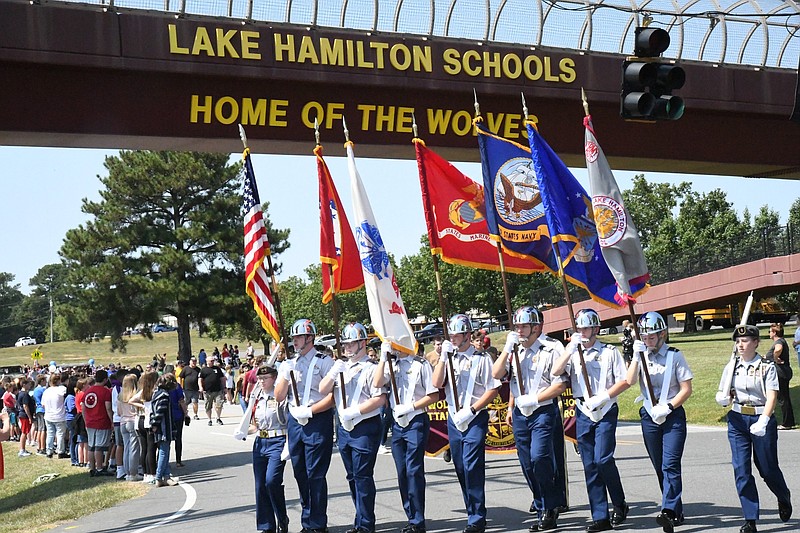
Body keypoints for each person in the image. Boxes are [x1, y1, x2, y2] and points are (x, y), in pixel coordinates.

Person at [552, 308, 631, 533]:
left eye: (586, 327)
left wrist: (604, 397)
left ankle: (618, 502)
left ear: (596, 329)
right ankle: (600, 516)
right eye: (579, 328)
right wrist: (569, 349)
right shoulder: (573, 352)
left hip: (605, 409)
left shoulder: (609, 351)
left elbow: (624, 380)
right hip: (583, 410)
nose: (583, 332)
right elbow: (556, 371)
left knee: (603, 459)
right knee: (589, 465)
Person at [492, 306, 567, 531]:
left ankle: (550, 507)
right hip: (520, 414)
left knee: (539, 458)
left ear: (537, 327)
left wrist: (534, 399)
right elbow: (497, 374)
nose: (520, 330)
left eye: (524, 326)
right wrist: (506, 349)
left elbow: (561, 384)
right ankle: (543, 503)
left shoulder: (552, 347)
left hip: (543, 410)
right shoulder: (515, 350)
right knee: (526, 463)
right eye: (517, 326)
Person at [715, 324, 792, 533]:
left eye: (746, 341)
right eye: (738, 341)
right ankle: (750, 518)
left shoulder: (767, 367)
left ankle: (783, 495)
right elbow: (725, 393)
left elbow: (772, 396)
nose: (741, 345)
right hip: (738, 419)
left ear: (756, 342)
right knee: (741, 469)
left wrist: (765, 420)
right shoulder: (732, 366)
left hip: (760, 418)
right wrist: (723, 398)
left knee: (767, 468)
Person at [432, 314, 501, 533]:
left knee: (472, 466)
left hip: (474, 417)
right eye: (450, 334)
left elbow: (493, 389)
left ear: (467, 335)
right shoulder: (449, 358)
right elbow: (436, 383)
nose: (452, 338)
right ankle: (472, 509)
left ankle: (477, 517)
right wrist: (443, 357)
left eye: (457, 334)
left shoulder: (481, 359)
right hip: (454, 418)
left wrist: (472, 409)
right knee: (460, 467)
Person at [625, 312, 693, 533]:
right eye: (644, 337)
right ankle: (676, 509)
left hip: (672, 416)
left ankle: (668, 511)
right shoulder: (641, 355)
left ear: (662, 334)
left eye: (651, 337)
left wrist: (670, 406)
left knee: (670, 464)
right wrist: (636, 357)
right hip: (649, 416)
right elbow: (630, 381)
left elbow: (686, 389)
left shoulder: (675, 355)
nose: (648, 341)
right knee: (659, 466)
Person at [320, 323, 387, 533]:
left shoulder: (372, 368)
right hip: (344, 428)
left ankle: (366, 524)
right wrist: (332, 373)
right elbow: (323, 390)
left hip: (364, 426)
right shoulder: (341, 366)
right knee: (352, 476)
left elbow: (380, 399)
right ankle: (360, 520)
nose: (348, 347)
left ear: (363, 343)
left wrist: (355, 411)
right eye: (346, 343)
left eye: (352, 343)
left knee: (362, 475)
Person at [274, 319, 335, 533]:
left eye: (298, 337)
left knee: (315, 474)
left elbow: (333, 396)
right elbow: (279, 396)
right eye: (293, 338)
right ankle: (307, 520)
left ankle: (318, 524)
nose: (294, 341)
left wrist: (310, 411)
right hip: (295, 422)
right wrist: (284, 372)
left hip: (316, 419)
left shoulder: (324, 361)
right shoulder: (290, 363)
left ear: (310, 338)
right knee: (300, 473)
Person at [374, 335, 438, 533]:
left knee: (413, 470)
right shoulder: (391, 365)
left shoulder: (421, 365)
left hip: (416, 420)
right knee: (402, 471)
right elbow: (377, 383)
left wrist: (411, 406)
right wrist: (384, 358)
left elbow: (433, 395)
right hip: (397, 424)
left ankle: (418, 521)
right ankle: (411, 515)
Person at [236, 362, 290, 533]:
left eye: (265, 378)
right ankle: (266, 525)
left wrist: (289, 445)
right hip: (260, 442)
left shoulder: (280, 396)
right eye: (259, 378)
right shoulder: (257, 397)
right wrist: (243, 431)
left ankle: (282, 517)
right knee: (260, 485)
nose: (261, 381)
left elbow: (289, 423)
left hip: (278, 442)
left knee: (271, 481)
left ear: (274, 378)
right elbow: (255, 425)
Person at [81, 369, 114, 477]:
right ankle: (100, 468)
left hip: (90, 422)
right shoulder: (105, 392)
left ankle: (92, 468)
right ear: (105, 379)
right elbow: (108, 408)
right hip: (101, 421)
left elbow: (84, 408)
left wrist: (86, 421)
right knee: (99, 447)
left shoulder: (87, 392)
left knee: (91, 446)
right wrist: (112, 420)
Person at [765, 323, 794, 430]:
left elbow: (778, 349)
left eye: (770, 331)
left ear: (774, 333)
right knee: (783, 398)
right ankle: (788, 421)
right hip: (783, 372)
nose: (769, 333)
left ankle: (787, 423)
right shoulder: (781, 341)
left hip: (781, 373)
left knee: (783, 399)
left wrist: (775, 357)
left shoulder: (779, 342)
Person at [150, 374, 175, 487]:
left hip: (159, 427)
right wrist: (155, 423)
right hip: (164, 428)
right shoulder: (164, 396)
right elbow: (160, 411)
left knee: (163, 451)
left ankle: (166, 475)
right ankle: (159, 477)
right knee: (164, 452)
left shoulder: (156, 393)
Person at [118, 373, 143, 482]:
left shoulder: (120, 395)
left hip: (123, 421)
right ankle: (133, 472)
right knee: (134, 448)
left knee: (126, 448)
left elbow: (119, 412)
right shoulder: (135, 395)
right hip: (133, 421)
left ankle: (127, 472)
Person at [41, 373, 68, 458]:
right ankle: (60, 451)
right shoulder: (62, 389)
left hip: (49, 415)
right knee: (60, 434)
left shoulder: (46, 391)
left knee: (50, 434)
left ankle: (49, 451)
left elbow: (43, 404)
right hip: (59, 415)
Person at [16, 378, 35, 457]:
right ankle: (22, 450)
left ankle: (23, 449)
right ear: (24, 385)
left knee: (25, 432)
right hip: (25, 415)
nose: (29, 385)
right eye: (28, 384)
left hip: (22, 415)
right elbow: (25, 406)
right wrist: (30, 416)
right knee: (24, 432)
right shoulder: (24, 394)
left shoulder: (20, 393)